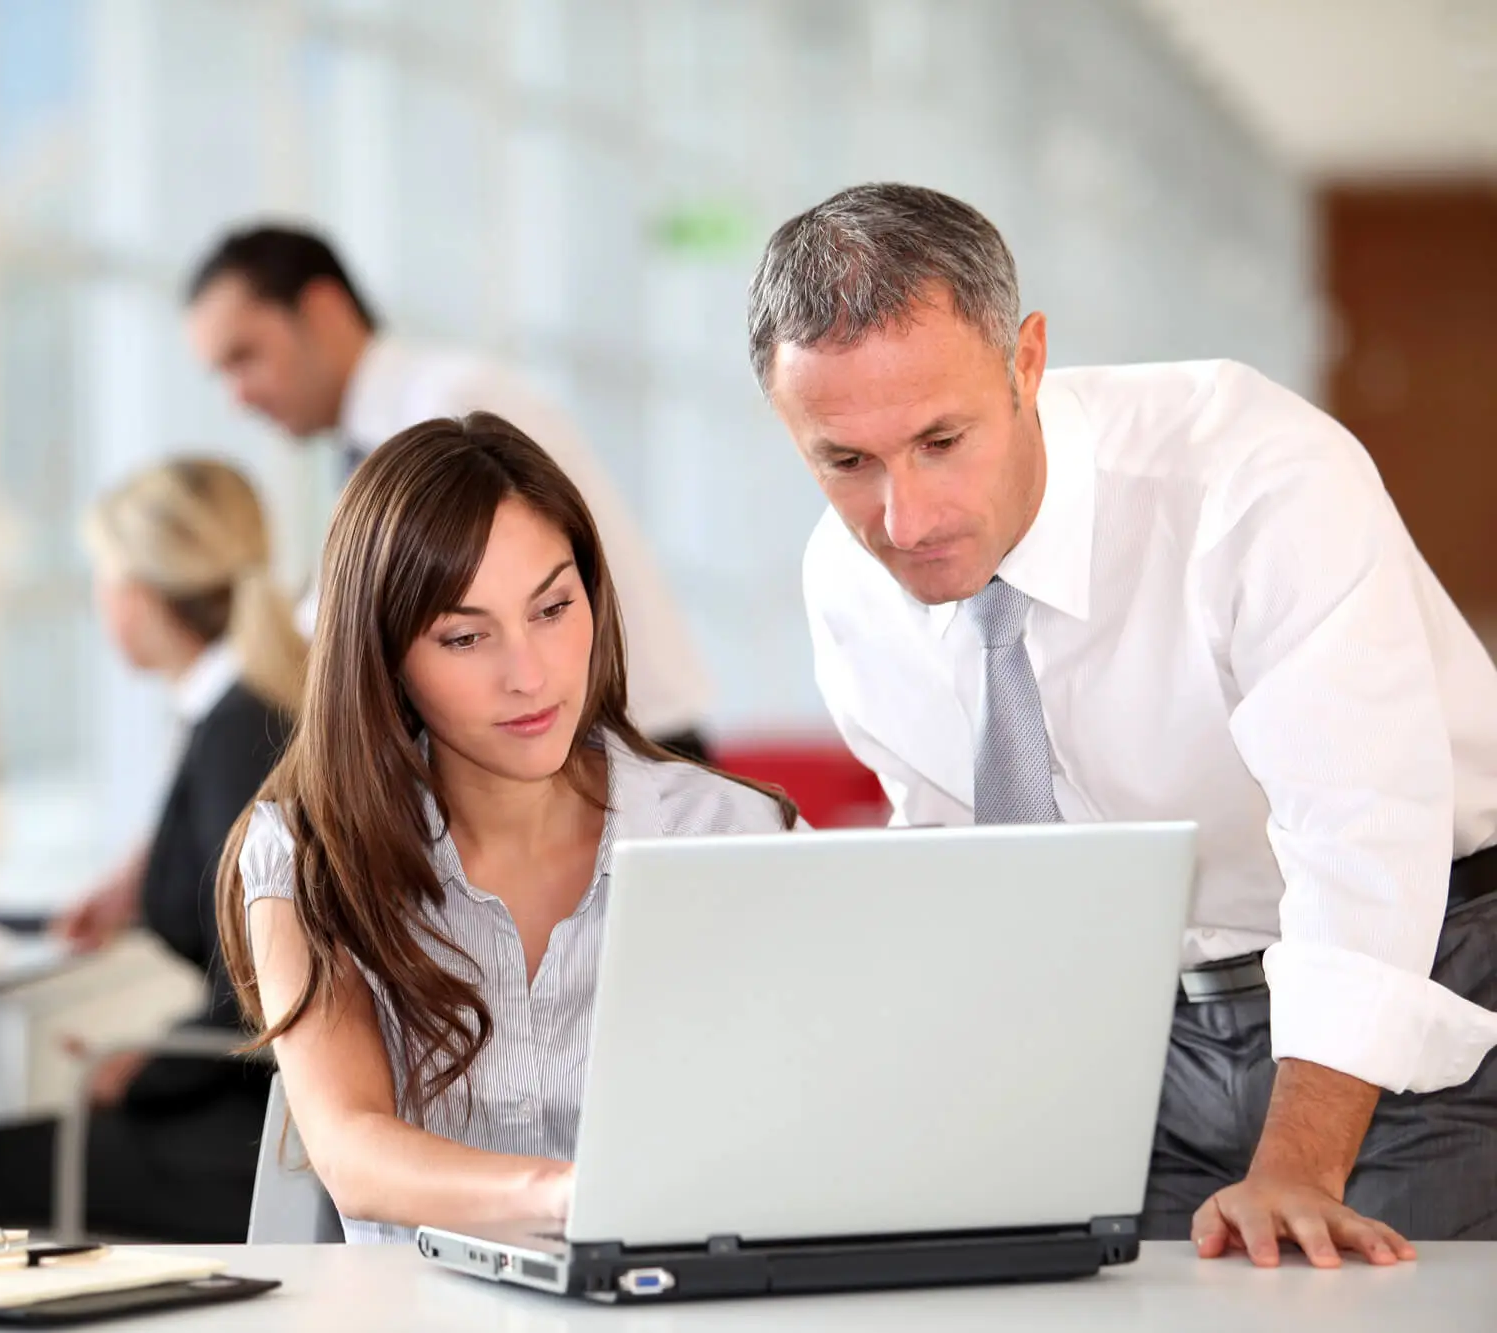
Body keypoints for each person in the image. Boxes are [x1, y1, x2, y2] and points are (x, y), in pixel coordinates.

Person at [748, 182, 1497, 1267]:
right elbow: (972, 882)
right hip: (1144, 1023)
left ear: (1027, 361)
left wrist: (1295, 1160)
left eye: (940, 440)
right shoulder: (846, 582)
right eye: (843, 462)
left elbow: (1360, 834)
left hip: (1421, 981)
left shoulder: (1252, 478)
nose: (903, 520)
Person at [214, 413, 798, 1242]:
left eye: (554, 607)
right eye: (464, 636)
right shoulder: (311, 856)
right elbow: (349, 1148)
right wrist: (573, 1196)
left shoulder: (732, 834)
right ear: (384, 658)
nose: (528, 674)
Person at [0, 458, 307, 1239]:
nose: (101, 598)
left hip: (233, 1141)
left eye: (103, 574)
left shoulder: (238, 730)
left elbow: (260, 988)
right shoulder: (249, 709)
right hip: (248, 1119)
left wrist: (142, 1068)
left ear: (140, 591)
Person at [182, 224, 716, 761]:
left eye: (245, 356)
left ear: (321, 310)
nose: (239, 398)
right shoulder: (386, 428)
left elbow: (356, 621)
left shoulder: (447, 409)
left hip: (614, 760)